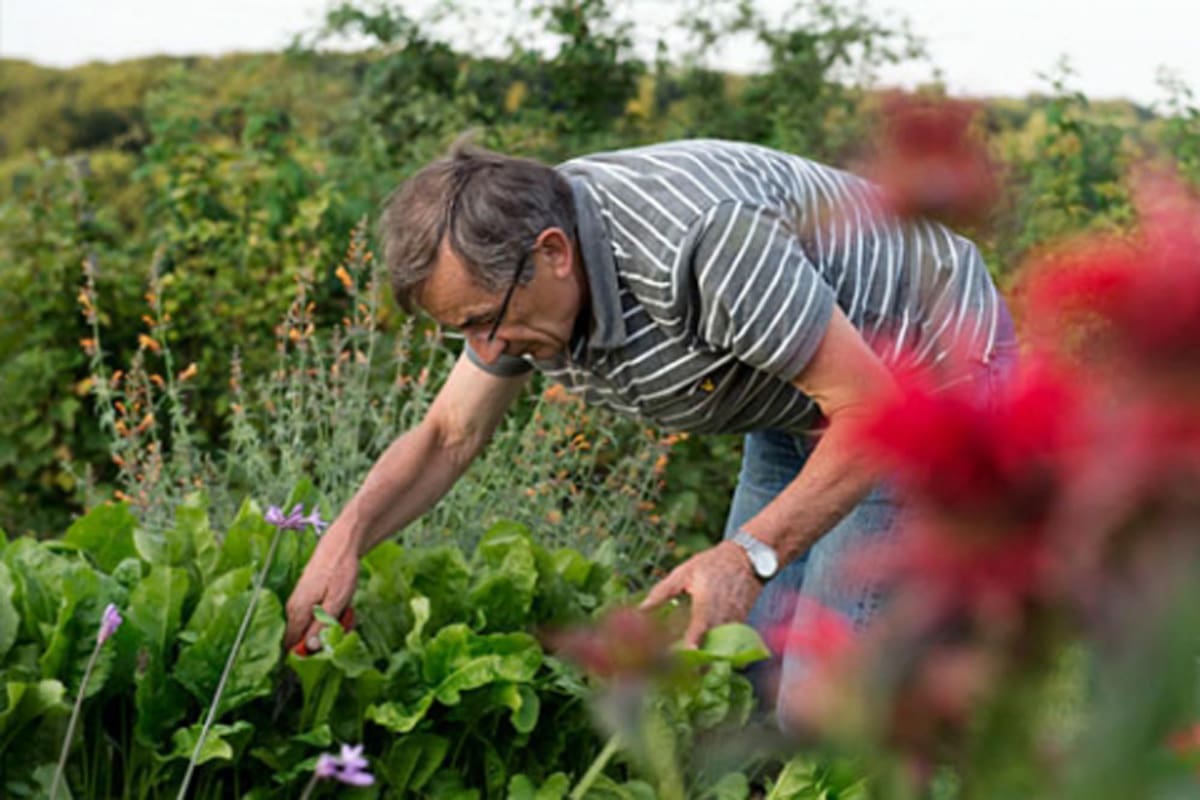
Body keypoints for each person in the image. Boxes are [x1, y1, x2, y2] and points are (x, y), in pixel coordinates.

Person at [283, 137, 1017, 706]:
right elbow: (450, 433)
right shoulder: (518, 287)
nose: (488, 352)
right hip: (801, 393)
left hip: (926, 379)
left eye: (485, 323)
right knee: (747, 670)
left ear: (553, 254)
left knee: (830, 703)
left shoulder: (705, 246)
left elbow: (873, 413)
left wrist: (748, 555)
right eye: (463, 331)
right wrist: (342, 542)